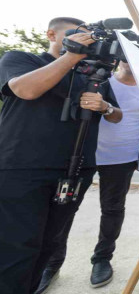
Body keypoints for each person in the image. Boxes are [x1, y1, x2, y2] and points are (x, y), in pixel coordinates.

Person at [0, 17, 122, 294]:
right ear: (51, 35)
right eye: (75, 35)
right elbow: (25, 90)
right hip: (23, 168)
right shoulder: (21, 59)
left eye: (89, 38)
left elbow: (117, 115)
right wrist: (71, 56)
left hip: (75, 170)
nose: (85, 42)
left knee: (48, 244)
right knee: (17, 246)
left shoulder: (94, 73)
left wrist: (104, 107)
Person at [36, 60, 139, 292]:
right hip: (82, 154)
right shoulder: (100, 80)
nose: (131, 59)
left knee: (113, 209)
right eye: (125, 53)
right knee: (65, 208)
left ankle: (102, 259)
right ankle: (52, 263)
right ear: (118, 58)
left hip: (122, 158)